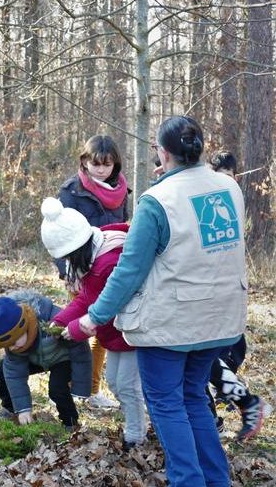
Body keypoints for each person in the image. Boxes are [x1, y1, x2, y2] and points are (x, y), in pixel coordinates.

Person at [78, 116, 247, 487]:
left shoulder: (157, 201)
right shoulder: (229, 187)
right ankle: (216, 481)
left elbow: (128, 270)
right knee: (193, 397)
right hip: (221, 319)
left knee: (168, 404)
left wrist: (94, 317)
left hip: (173, 324)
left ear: (163, 152)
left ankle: (188, 481)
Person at [41, 197, 147, 451]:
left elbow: (106, 309)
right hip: (118, 335)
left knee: (127, 385)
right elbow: (86, 300)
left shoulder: (106, 265)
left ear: (77, 249)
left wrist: (76, 328)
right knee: (114, 381)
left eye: (67, 258)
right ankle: (137, 428)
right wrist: (61, 320)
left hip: (133, 331)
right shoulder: (94, 256)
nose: (66, 264)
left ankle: (136, 435)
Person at [58, 134, 129, 409]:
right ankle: (73, 387)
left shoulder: (122, 190)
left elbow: (126, 229)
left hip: (112, 270)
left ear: (115, 165)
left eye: (106, 164)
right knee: (79, 328)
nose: (100, 169)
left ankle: (93, 389)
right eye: (95, 163)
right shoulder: (72, 190)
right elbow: (60, 235)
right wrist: (66, 271)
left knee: (108, 329)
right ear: (84, 161)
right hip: (79, 269)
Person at [207, 149, 272, 440]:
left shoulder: (225, 198)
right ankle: (218, 416)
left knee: (201, 358)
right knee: (198, 360)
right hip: (203, 291)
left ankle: (241, 404)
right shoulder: (205, 196)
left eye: (228, 176)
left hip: (219, 292)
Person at [0, 290, 92, 429]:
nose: (12, 348)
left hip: (62, 358)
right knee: (4, 368)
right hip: (35, 359)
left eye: (13, 342)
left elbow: (80, 351)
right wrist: (23, 409)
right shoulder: (14, 346)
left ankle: (70, 422)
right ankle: (11, 410)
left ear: (22, 327)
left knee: (57, 388)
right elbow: (15, 375)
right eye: (7, 346)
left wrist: (81, 387)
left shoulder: (54, 320)